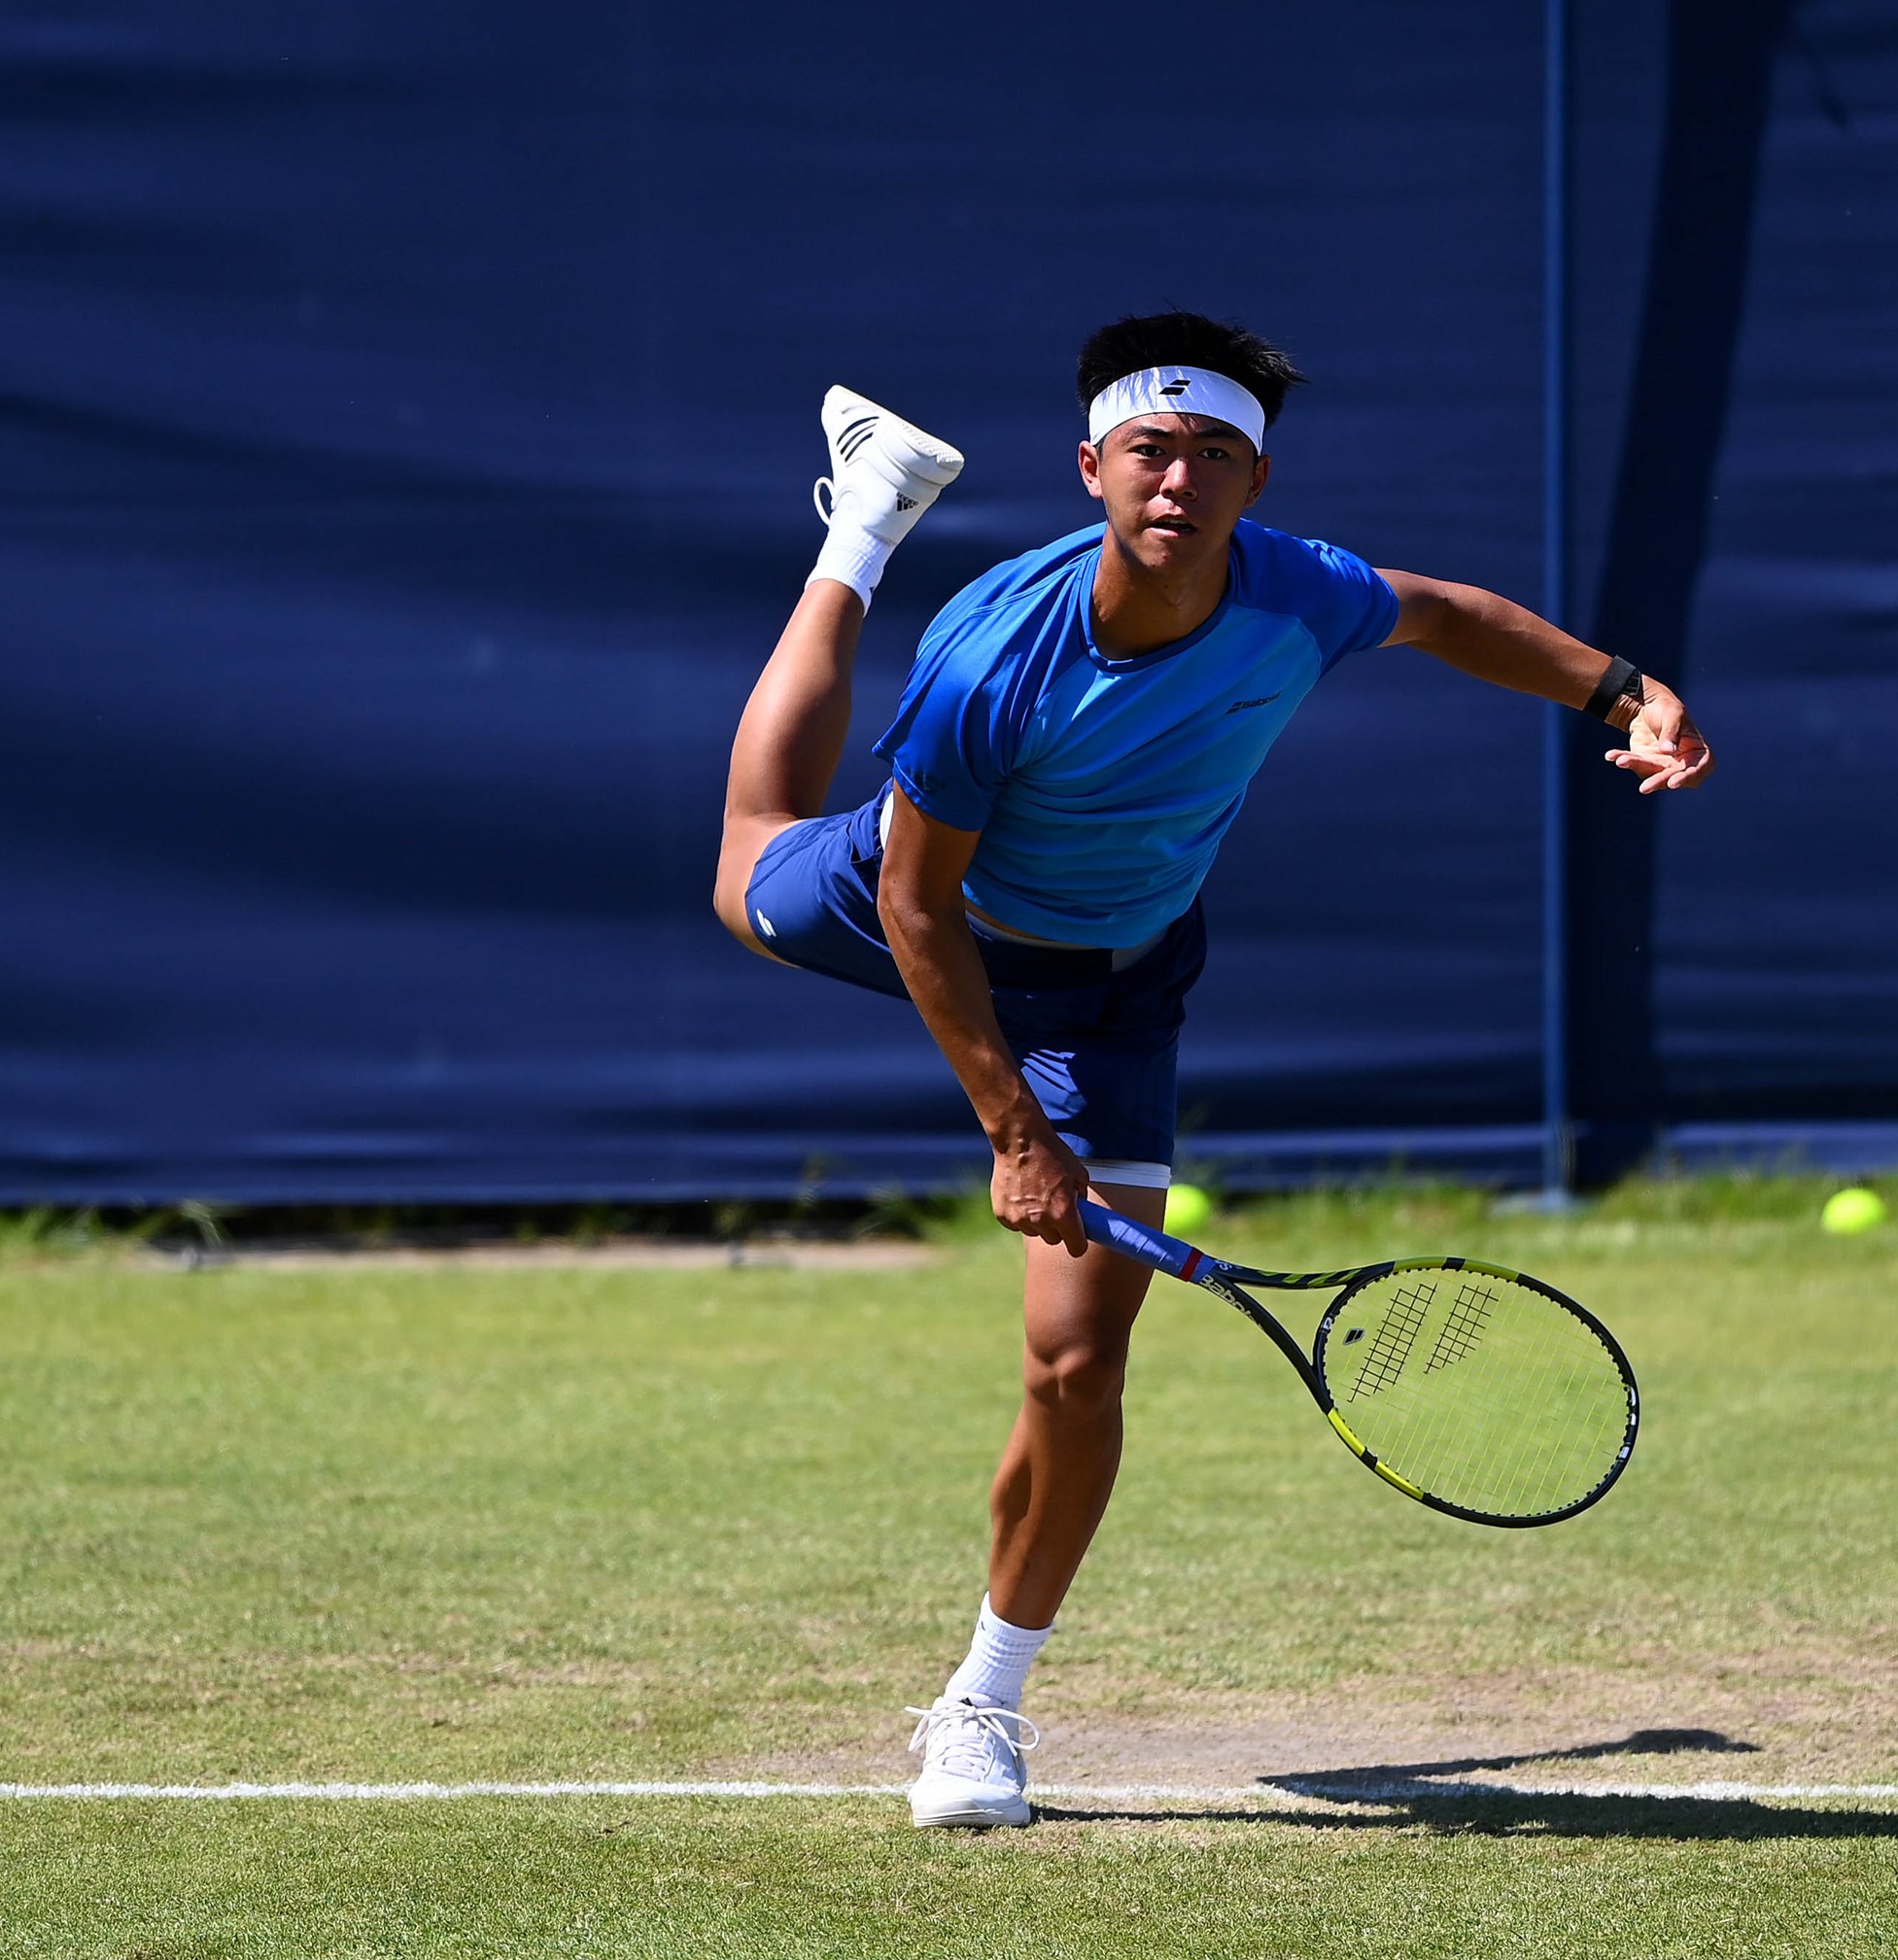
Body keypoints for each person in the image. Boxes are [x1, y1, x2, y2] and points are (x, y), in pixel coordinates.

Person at [710, 312, 1712, 1828]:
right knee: (744, 861)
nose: (1179, 481)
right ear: (1094, 469)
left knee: (1076, 1362)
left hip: (1121, 988)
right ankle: (860, 525)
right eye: (1151, 451)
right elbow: (916, 908)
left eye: (1215, 456)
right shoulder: (996, 654)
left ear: (1257, 479)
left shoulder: (1296, 592)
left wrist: (1620, 687)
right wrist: (1011, 1131)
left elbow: (1443, 612)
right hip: (937, 905)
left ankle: (983, 1701)